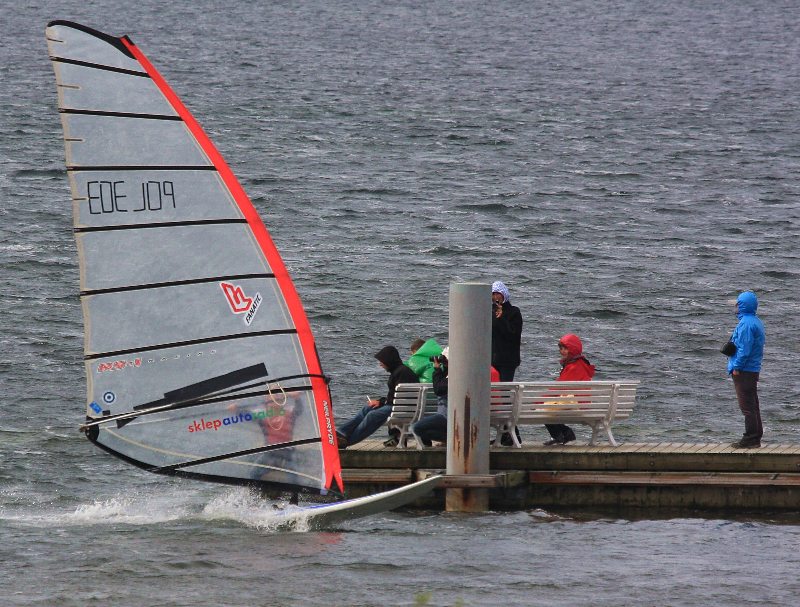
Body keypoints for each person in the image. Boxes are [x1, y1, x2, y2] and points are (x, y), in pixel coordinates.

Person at [336, 345, 418, 448]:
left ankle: (347, 442)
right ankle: (341, 433)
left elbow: (397, 399)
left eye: (382, 361)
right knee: (368, 408)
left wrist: (381, 402)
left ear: (389, 360)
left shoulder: (401, 373)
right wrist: (381, 402)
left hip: (403, 408)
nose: (380, 364)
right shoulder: (399, 371)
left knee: (372, 416)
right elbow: (395, 397)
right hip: (400, 406)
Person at [726, 291, 765, 448]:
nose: (735, 306)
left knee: (747, 406)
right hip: (752, 368)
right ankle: (756, 436)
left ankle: (750, 438)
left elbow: (744, 349)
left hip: (744, 370)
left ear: (742, 305)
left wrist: (737, 367)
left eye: (738, 304)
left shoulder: (745, 324)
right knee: (753, 404)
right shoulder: (755, 321)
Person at [544, 333, 595, 446]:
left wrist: (541, 399)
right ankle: (565, 434)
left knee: (544, 410)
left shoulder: (573, 367)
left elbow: (559, 387)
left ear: (573, 349)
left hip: (576, 404)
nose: (562, 351)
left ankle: (562, 434)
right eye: (561, 348)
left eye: (565, 348)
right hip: (581, 402)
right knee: (549, 407)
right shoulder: (580, 364)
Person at [411, 347, 449, 447]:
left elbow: (438, 390)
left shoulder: (453, 376)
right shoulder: (455, 373)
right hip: (445, 415)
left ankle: (450, 439)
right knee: (423, 423)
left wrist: (437, 370)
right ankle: (449, 439)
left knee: (416, 427)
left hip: (446, 416)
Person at [491, 281, 523, 381]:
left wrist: (501, 318)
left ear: (504, 294)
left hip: (508, 360)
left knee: (505, 390)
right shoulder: (489, 311)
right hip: (492, 358)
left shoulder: (514, 312)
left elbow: (513, 335)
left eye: (498, 294)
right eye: (493, 294)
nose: (495, 297)